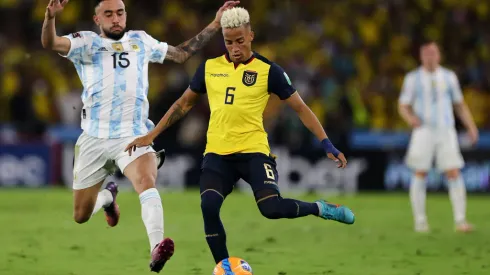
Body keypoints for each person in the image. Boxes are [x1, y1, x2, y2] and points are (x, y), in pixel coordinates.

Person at [125, 7, 355, 265]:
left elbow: (301, 108)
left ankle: (320, 208)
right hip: (217, 154)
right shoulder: (209, 68)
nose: (234, 47)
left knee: (272, 209)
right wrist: (151, 135)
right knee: (209, 207)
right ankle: (224, 268)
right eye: (228, 41)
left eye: (240, 41)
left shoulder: (269, 71)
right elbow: (183, 104)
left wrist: (326, 143)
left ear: (251, 36)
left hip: (254, 151)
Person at [41, 0, 239, 272]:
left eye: (120, 13)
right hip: (94, 139)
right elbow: (50, 43)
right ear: (97, 19)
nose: (115, 19)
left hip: (133, 135)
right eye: (108, 14)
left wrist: (215, 24)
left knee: (146, 181)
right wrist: (50, 18)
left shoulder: (141, 41)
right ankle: (108, 199)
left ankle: (157, 247)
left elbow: (181, 54)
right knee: (81, 215)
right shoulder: (85, 43)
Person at [398, 41, 479, 233]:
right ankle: (420, 222)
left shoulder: (449, 77)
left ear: (439, 56)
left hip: (446, 130)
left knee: (453, 171)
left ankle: (460, 221)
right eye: (426, 54)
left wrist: (471, 127)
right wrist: (410, 119)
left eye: (433, 53)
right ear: (421, 56)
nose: (430, 57)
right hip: (423, 130)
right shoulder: (413, 78)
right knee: (420, 172)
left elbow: (459, 104)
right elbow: (402, 105)